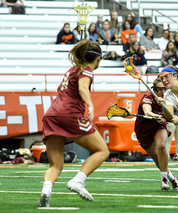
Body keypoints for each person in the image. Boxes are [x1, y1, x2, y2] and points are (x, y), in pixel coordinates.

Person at [38, 39, 110, 207]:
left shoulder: (71, 70)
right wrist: (90, 105)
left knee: (55, 165)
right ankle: (78, 181)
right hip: (69, 115)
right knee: (102, 150)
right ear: (98, 58)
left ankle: (46, 188)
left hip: (51, 115)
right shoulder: (87, 71)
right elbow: (82, 88)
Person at [134, 77, 178, 191]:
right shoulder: (148, 97)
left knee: (161, 146)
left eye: (164, 89)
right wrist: (156, 116)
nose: (162, 92)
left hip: (158, 127)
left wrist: (165, 116)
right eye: (158, 89)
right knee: (157, 159)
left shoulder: (169, 98)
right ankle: (172, 177)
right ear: (154, 90)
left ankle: (164, 179)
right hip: (143, 131)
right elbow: (147, 111)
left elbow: (169, 116)